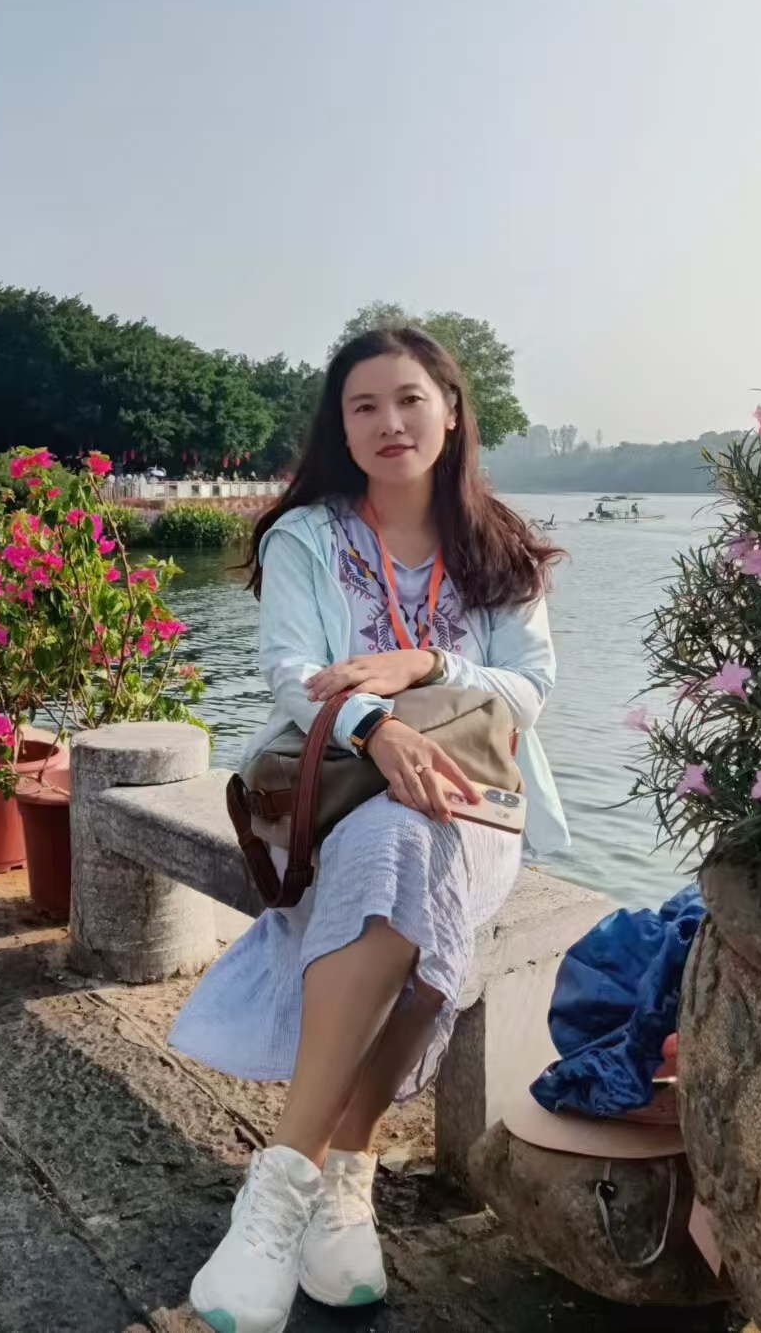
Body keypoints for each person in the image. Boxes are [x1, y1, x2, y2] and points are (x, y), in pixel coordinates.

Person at [171, 326, 568, 1333]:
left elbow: (529, 686)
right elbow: (288, 671)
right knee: (400, 846)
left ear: (450, 411)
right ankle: (322, 1176)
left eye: (409, 399)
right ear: (340, 428)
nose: (390, 422)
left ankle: (303, 1180)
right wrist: (377, 727)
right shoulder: (307, 538)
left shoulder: (501, 545)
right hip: (330, 794)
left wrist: (426, 665)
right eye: (364, 406)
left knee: (425, 850)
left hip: (475, 797)